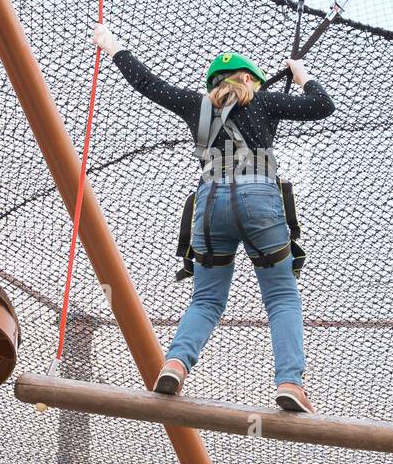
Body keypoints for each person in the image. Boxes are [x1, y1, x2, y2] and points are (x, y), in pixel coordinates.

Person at [92, 23, 336, 412]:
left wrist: (112, 46)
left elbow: (147, 83)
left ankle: (175, 364)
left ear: (212, 85)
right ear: (249, 80)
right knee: (281, 297)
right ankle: (290, 382)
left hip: (210, 204)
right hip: (258, 197)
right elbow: (322, 106)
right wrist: (303, 76)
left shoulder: (195, 104)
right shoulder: (266, 102)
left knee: (206, 299)